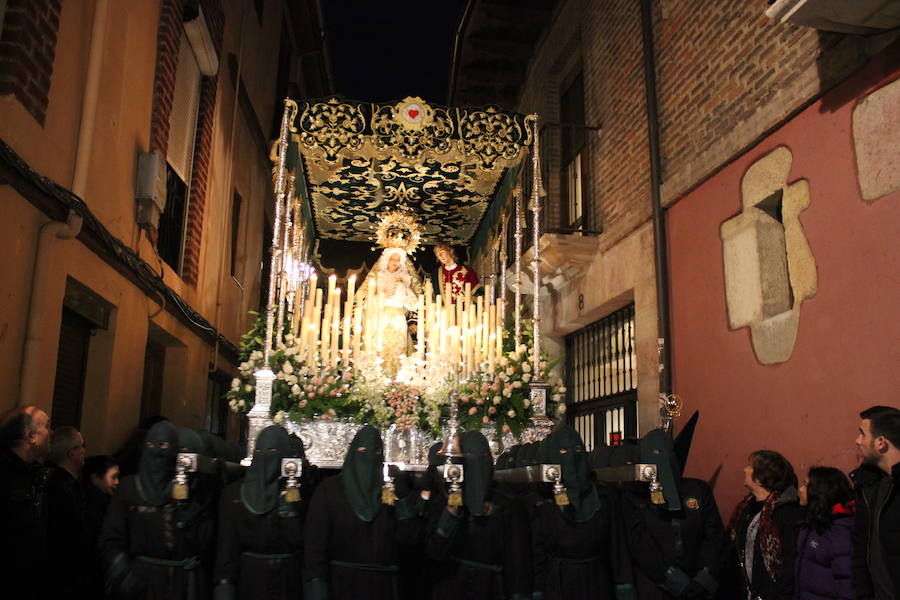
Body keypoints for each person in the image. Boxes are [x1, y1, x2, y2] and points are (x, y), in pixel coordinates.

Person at [99, 420, 217, 600]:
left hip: (184, 584)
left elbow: (205, 541)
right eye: (151, 444)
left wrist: (189, 507)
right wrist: (123, 575)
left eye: (164, 445)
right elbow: (112, 538)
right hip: (142, 584)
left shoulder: (191, 488)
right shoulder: (129, 488)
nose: (157, 451)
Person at [303, 425, 420, 600]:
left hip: (383, 587)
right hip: (341, 587)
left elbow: (409, 540)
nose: (370, 459)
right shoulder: (330, 490)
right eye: (363, 451)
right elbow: (315, 547)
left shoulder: (391, 491)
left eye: (377, 453)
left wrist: (404, 501)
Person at [618, 425, 727, 600]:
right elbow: (640, 546)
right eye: (654, 453)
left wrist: (704, 578)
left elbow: (714, 536)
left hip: (699, 587)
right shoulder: (633, 498)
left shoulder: (698, 490)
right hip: (656, 588)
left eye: (667, 452)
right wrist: (675, 581)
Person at [424, 430, 532, 600]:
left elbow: (518, 560)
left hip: (490, 589)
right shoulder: (445, 499)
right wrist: (450, 514)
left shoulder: (506, 504)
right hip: (452, 586)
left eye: (482, 456)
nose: (476, 464)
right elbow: (433, 551)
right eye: (469, 456)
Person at [532, 425, 635, 600]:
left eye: (578, 449)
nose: (572, 456)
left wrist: (624, 587)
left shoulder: (604, 498)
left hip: (599, 583)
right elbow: (536, 554)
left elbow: (617, 546)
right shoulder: (543, 503)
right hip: (559, 585)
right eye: (563, 451)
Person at [214, 425, 311, 600]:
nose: (266, 456)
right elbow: (226, 548)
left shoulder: (301, 491)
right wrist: (224, 587)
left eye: (273, 450)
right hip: (250, 579)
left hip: (288, 580)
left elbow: (306, 542)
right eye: (259, 450)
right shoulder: (235, 493)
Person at [727, 450, 803, 600]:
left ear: (760, 478)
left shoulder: (785, 512)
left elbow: (790, 562)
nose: (745, 470)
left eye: (750, 467)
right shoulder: (746, 507)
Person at [850, 405, 900, 600]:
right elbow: (861, 548)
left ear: (881, 442)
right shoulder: (868, 486)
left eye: (862, 434)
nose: (857, 441)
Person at [0, 405, 52, 591]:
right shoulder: (6, 478)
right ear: (31, 437)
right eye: (46, 426)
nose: (50, 432)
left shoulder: (37, 476)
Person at [795, 466, 855, 600]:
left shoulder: (839, 531)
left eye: (805, 485)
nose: (800, 489)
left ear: (820, 491)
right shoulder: (813, 523)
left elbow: (846, 583)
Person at [361, 246, 422, 375]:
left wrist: (408, 291)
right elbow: (368, 303)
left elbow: (412, 304)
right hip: (382, 317)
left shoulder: (405, 278)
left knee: (398, 347)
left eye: (398, 259)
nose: (395, 261)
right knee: (381, 347)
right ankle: (379, 378)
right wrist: (383, 295)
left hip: (398, 318)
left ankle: (399, 380)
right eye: (392, 258)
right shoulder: (379, 277)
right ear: (387, 259)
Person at [45, 426, 89, 594]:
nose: (85, 450)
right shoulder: (63, 487)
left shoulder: (49, 479)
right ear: (72, 453)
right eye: (82, 446)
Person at [83, 455, 119, 597]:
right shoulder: (95, 508)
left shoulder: (103, 503)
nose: (117, 482)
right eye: (113, 477)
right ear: (96, 479)